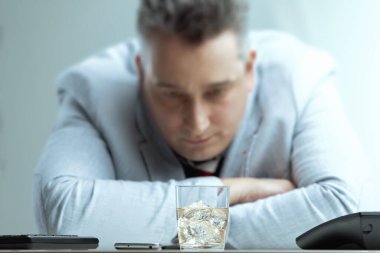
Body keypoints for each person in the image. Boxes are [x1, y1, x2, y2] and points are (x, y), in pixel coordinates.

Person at [33, 0, 372, 249]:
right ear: (140, 73)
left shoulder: (301, 76)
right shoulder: (93, 88)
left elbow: (344, 211)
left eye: (217, 92)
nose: (197, 123)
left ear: (250, 69)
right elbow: (65, 217)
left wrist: (176, 230)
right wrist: (235, 192)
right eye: (171, 94)